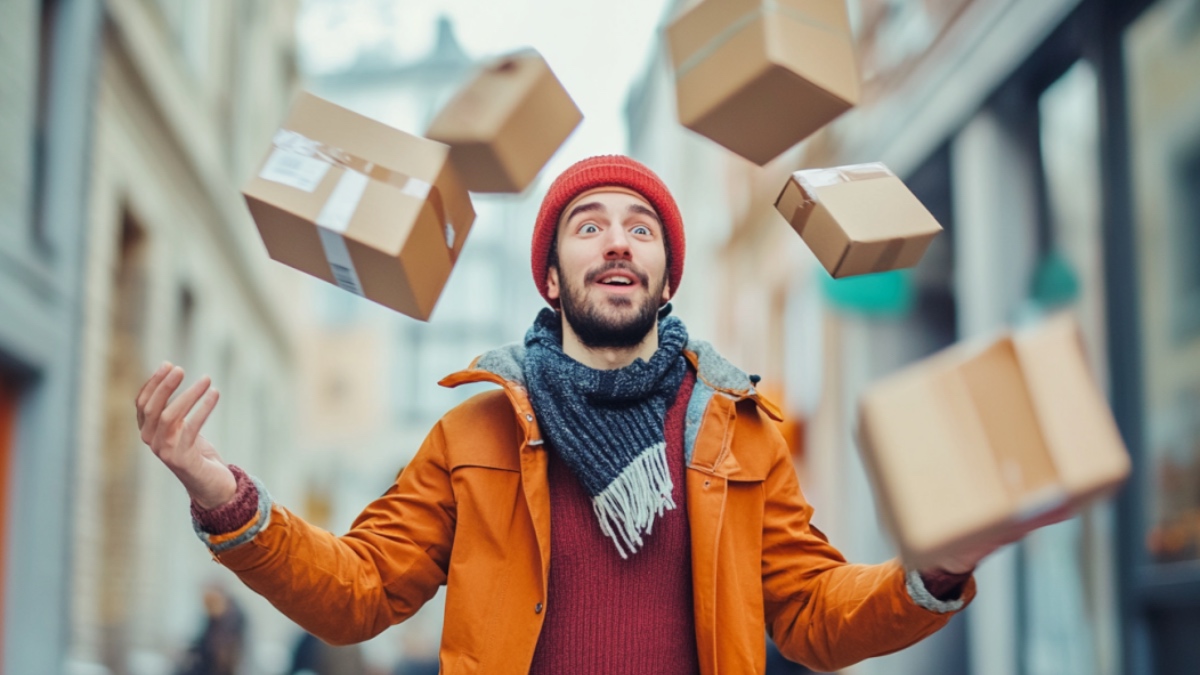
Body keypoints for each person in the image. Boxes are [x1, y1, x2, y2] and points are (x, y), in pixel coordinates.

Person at [137, 155, 1060, 674]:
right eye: (589, 225)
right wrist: (228, 499)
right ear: (551, 273)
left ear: (665, 277)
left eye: (641, 227)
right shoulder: (476, 431)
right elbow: (358, 592)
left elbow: (814, 613)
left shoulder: (740, 431)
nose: (617, 239)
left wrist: (935, 569)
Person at [175, 583, 246, 675]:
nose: (208, 608)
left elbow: (227, 659)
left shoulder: (232, 623)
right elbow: (200, 643)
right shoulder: (212, 620)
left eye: (210, 603)